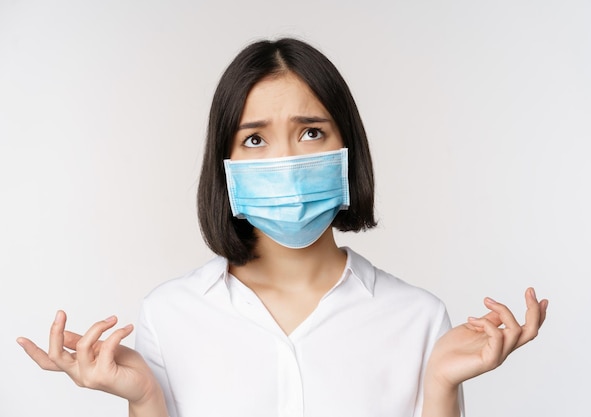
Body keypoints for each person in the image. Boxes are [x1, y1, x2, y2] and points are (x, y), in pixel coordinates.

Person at [17, 38, 548, 417]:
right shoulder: (169, 314)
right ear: (223, 165)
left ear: (346, 149)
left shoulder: (419, 318)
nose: (287, 160)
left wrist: (439, 389)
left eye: (311, 132)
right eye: (254, 139)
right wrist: (145, 400)